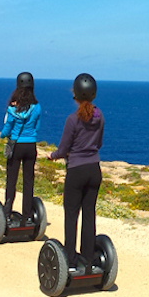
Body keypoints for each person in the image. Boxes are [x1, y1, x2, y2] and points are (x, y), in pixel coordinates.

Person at [48, 73, 104, 269]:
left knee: (71, 215)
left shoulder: (72, 119)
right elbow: (99, 143)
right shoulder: (99, 116)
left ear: (76, 95)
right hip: (94, 170)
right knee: (89, 214)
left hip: (77, 170)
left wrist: (53, 155)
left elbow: (63, 149)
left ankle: (70, 261)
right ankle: (88, 260)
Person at [0, 72, 42, 224]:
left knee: (11, 180)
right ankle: (27, 216)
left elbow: (7, 129)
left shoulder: (12, 109)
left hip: (13, 144)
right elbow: (37, 127)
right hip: (30, 144)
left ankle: (7, 214)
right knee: (28, 181)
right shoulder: (37, 107)